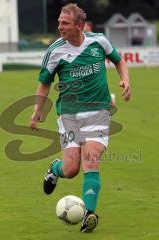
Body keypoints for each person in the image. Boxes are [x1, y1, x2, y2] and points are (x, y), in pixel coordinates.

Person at [30, 3, 131, 233]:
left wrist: (125, 79)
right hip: (69, 115)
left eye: (64, 23)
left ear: (79, 25)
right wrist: (38, 110)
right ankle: (55, 169)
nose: (59, 27)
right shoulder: (55, 51)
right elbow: (44, 82)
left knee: (91, 159)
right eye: (58, 22)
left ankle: (89, 214)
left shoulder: (99, 41)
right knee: (71, 168)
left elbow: (119, 60)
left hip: (98, 112)